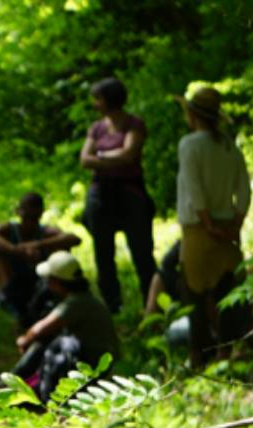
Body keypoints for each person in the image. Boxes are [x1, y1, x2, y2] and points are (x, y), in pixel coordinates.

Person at [174, 86, 251, 366]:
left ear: (193, 114)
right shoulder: (229, 146)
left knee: (194, 293)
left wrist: (208, 224)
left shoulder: (189, 144)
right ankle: (225, 351)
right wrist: (235, 225)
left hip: (198, 229)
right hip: (226, 228)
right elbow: (244, 190)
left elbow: (194, 188)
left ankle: (199, 354)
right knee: (227, 292)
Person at [79, 77, 157, 314]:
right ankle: (113, 305)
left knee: (142, 251)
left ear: (110, 99)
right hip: (101, 194)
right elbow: (84, 159)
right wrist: (112, 156)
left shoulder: (134, 123)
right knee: (103, 253)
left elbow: (129, 155)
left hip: (130, 193)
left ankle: (151, 304)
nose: (96, 104)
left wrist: (100, 157)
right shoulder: (97, 127)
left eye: (99, 99)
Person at [8, 251, 120, 402]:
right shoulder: (85, 296)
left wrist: (24, 340)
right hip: (97, 364)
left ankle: (7, 384)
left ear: (57, 282)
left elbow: (38, 331)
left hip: (91, 368)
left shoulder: (75, 302)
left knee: (42, 342)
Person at [0, 192, 81, 326]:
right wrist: (15, 250)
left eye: (34, 218)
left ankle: (46, 297)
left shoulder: (45, 232)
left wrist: (39, 245)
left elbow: (74, 239)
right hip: (10, 284)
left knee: (61, 249)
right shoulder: (9, 229)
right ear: (18, 212)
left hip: (36, 285)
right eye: (27, 217)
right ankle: (7, 298)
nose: (30, 222)